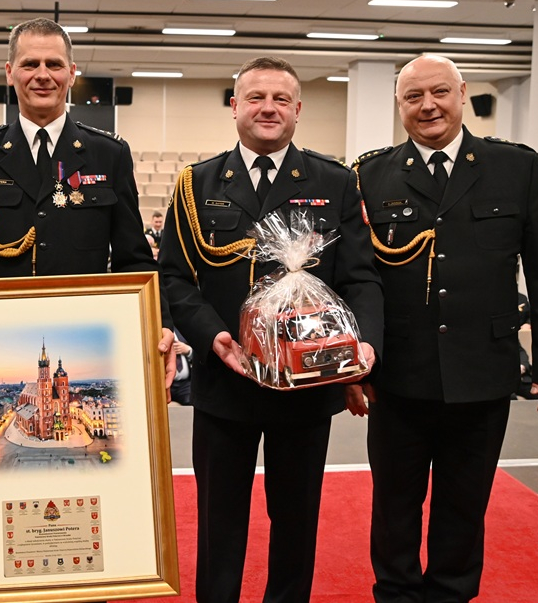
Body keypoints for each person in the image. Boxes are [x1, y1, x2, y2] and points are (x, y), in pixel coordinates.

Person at [349, 54, 538, 603]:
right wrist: (352, 368)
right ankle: (396, 595)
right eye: (413, 96)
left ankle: (451, 594)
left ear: (462, 94)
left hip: (482, 369)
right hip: (397, 374)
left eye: (439, 92)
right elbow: (356, 279)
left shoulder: (515, 167)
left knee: (464, 502)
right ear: (399, 106)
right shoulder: (370, 174)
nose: (428, 106)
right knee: (394, 505)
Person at [158, 56, 383, 603]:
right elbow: (175, 277)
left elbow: (360, 277)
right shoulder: (196, 184)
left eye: (281, 99)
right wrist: (213, 336)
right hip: (224, 380)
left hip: (307, 384)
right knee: (219, 520)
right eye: (256, 97)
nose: (268, 108)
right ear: (235, 105)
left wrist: (364, 345)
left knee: (296, 519)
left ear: (298, 109)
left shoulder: (334, 181)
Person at [0, 17, 175, 409]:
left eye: (54, 64)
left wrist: (160, 322)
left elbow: (134, 259)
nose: (43, 75)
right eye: (30, 64)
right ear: (10, 72)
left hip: (83, 339)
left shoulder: (108, 154)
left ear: (72, 73)